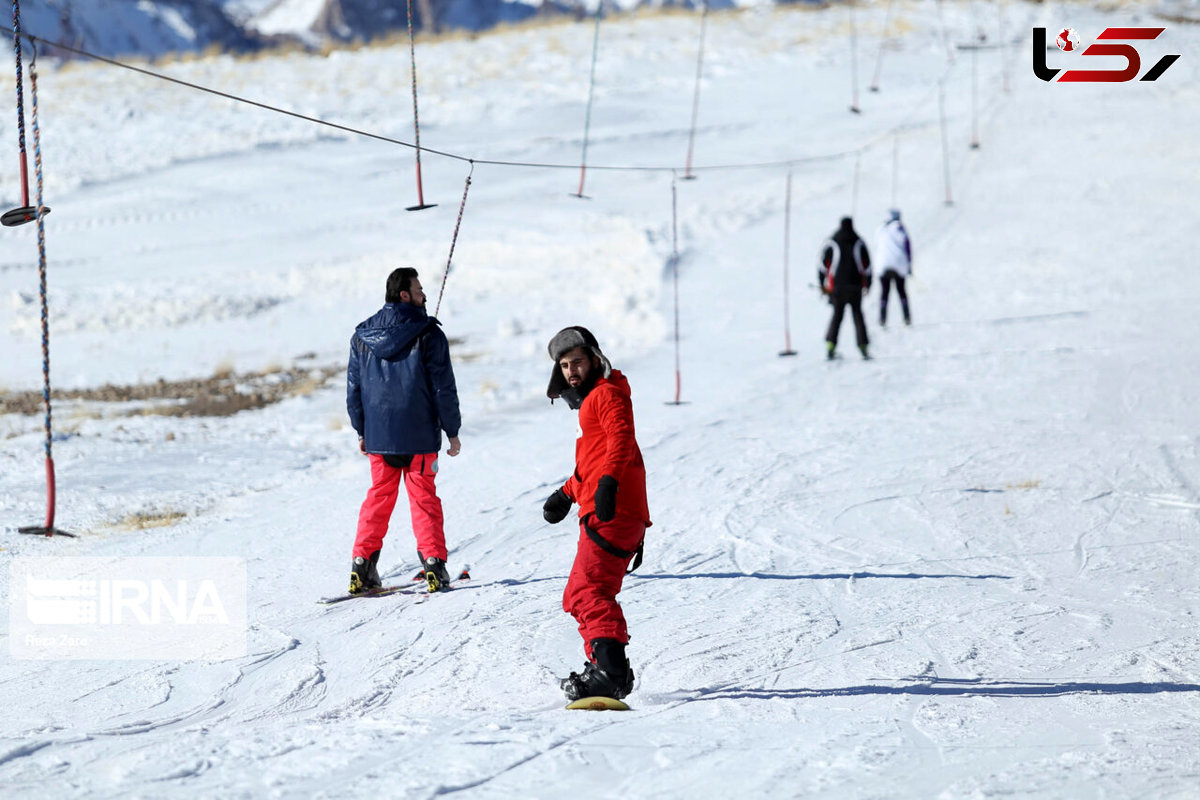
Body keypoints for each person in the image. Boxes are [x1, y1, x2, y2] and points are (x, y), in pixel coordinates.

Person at [541, 326, 650, 702]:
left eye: (578, 362)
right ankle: (606, 666)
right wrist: (566, 493)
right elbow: (594, 459)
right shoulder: (593, 401)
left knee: (589, 591)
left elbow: (621, 439)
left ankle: (610, 671)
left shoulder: (606, 395)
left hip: (613, 507)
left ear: (595, 359)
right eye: (565, 365)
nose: (572, 371)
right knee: (580, 592)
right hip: (607, 505)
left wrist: (608, 485)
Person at [346, 267, 462, 595]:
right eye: (420, 289)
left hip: (380, 438)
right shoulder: (429, 334)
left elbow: (353, 389)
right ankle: (434, 567)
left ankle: (361, 565)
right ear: (405, 295)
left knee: (378, 498)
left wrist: (361, 430)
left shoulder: (361, 336)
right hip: (420, 436)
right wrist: (451, 430)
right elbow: (443, 387)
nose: (425, 295)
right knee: (423, 499)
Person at [819, 216, 872, 360]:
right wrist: (868, 285)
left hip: (837, 287)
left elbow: (823, 266)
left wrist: (822, 284)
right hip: (855, 286)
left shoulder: (832, 241)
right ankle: (863, 347)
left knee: (837, 316)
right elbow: (867, 266)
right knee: (858, 316)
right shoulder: (859, 241)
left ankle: (831, 346)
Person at [875, 208, 913, 327]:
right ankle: (906, 317)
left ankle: (882, 318)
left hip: (883, 265)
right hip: (899, 264)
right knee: (901, 291)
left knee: (884, 292)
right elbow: (907, 247)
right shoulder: (900, 228)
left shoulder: (881, 229)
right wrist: (909, 264)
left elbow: (876, 245)